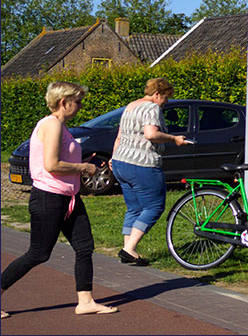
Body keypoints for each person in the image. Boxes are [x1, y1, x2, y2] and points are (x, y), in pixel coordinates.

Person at [0, 81, 118, 317]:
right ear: (64, 102)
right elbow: (51, 165)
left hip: (69, 198)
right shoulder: (51, 125)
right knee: (38, 254)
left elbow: (62, 159)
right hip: (48, 198)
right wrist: (84, 167)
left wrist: (85, 163)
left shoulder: (62, 128)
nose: (81, 106)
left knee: (84, 247)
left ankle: (85, 302)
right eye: (78, 101)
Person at [110, 77, 188, 266]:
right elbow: (151, 134)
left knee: (134, 208)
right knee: (154, 207)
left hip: (121, 162)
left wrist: (113, 157)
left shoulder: (130, 106)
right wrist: (174, 139)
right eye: (166, 97)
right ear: (156, 94)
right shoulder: (152, 108)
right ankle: (129, 249)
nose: (166, 102)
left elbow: (120, 136)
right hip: (142, 164)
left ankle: (128, 249)